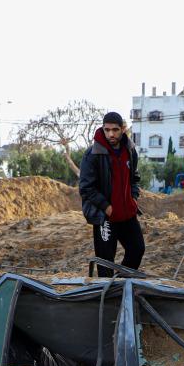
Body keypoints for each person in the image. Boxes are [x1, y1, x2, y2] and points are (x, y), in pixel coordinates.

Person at [79, 112, 144, 277]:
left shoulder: (130, 150)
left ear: (122, 129)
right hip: (105, 216)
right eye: (107, 130)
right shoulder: (92, 154)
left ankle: (119, 286)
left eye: (115, 130)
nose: (111, 134)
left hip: (127, 214)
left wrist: (133, 198)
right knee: (105, 262)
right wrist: (106, 208)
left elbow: (134, 178)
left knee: (137, 249)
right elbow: (86, 188)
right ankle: (107, 297)